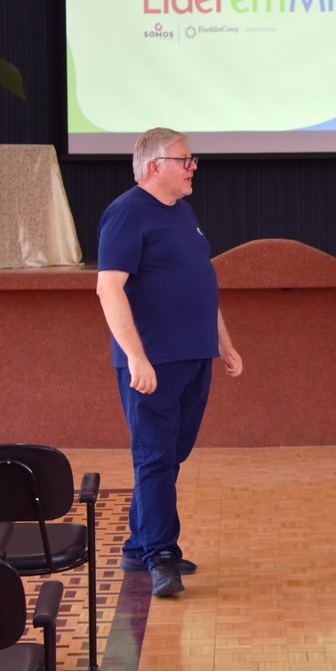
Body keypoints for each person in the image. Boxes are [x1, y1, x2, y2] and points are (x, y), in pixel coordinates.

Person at [96, 127, 242, 597]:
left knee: (169, 454)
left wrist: (223, 342)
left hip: (194, 356)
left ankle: (139, 546)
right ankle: (161, 554)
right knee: (154, 457)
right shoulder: (126, 213)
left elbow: (200, 280)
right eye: (185, 159)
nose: (193, 166)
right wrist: (136, 357)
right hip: (154, 363)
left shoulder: (182, 211)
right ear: (154, 165)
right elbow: (108, 288)